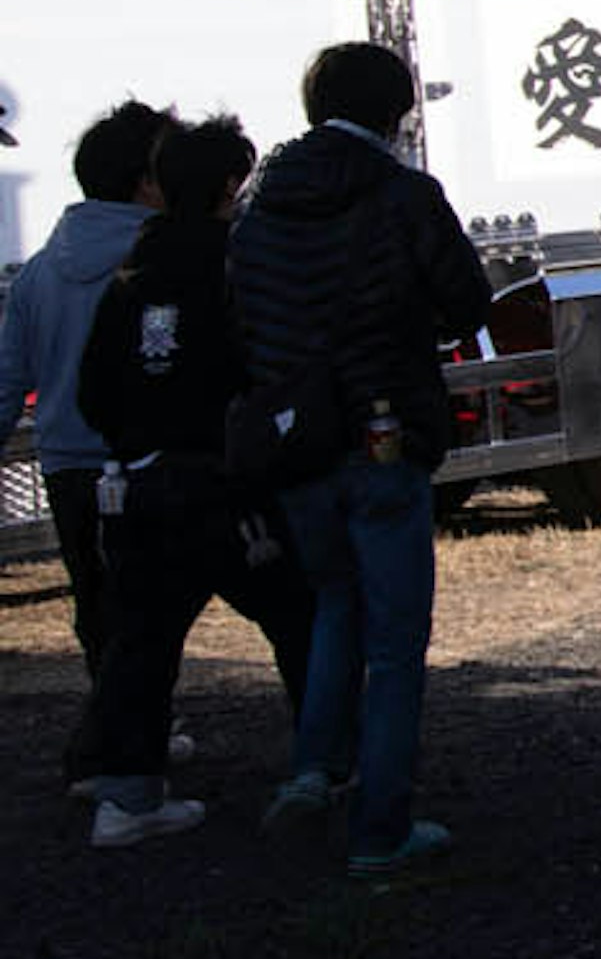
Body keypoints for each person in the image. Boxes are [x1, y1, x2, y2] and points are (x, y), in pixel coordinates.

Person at [231, 44, 489, 875]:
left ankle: (313, 772)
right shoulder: (404, 195)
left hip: (298, 441)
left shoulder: (262, 203)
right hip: (384, 434)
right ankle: (381, 828)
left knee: (333, 608)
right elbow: (465, 302)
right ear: (398, 112)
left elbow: (245, 318)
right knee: (394, 642)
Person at [76, 116, 317, 847]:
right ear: (225, 187)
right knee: (299, 621)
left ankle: (126, 796)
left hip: (145, 487)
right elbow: (275, 369)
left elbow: (94, 391)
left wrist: (135, 441)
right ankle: (327, 762)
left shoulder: (131, 274)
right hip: (232, 490)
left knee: (141, 642)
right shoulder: (242, 266)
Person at [0, 98, 175, 795]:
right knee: (148, 617)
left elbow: (9, 378)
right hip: (142, 461)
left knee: (99, 609)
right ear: (146, 181)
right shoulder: (158, 260)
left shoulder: (41, 269)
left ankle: (133, 736)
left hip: (66, 464)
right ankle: (109, 758)